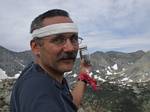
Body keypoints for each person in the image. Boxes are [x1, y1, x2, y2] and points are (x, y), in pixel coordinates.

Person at [10, 9, 93, 112]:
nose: (70, 48)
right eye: (58, 40)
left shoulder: (43, 72)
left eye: (73, 38)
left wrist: (84, 75)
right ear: (36, 47)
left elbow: (69, 105)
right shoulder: (40, 95)